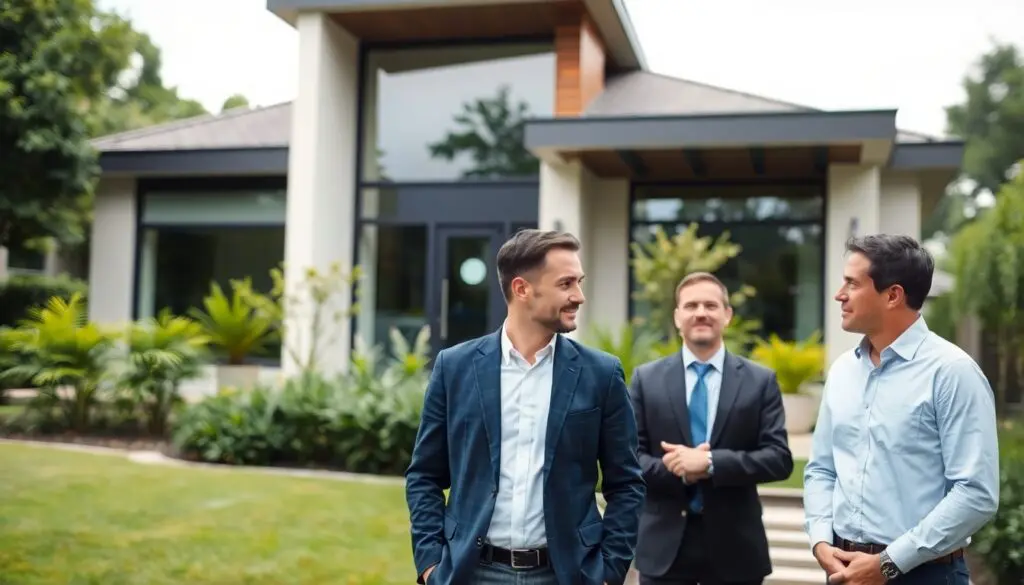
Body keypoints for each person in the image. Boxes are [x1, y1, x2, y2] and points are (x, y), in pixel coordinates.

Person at [405, 229, 646, 585]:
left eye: (579, 282)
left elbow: (626, 484)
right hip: (470, 573)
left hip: (565, 575)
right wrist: (430, 565)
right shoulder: (454, 367)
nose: (579, 296)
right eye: (566, 284)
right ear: (521, 289)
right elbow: (424, 475)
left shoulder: (602, 374)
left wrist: (608, 572)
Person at [804, 234, 1000, 585]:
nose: (839, 294)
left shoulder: (952, 372)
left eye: (852, 283)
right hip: (844, 571)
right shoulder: (842, 371)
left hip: (925, 575)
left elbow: (976, 494)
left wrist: (889, 563)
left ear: (892, 295)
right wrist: (820, 540)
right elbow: (821, 469)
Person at [628, 271, 794, 585]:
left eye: (710, 305)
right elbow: (628, 459)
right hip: (663, 550)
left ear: (727, 315)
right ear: (677, 317)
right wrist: (679, 467)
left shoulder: (760, 382)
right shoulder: (645, 380)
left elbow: (779, 458)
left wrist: (710, 463)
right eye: (691, 306)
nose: (701, 313)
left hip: (737, 549)